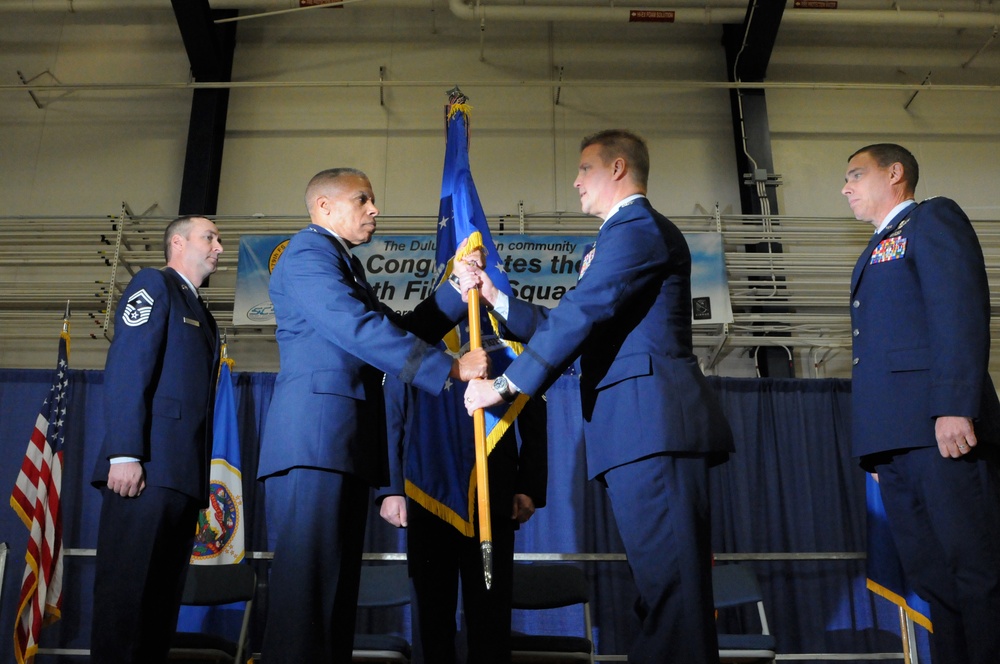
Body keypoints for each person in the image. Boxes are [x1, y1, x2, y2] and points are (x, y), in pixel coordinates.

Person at [463, 129, 734, 663]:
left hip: (655, 428)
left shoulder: (635, 228)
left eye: (584, 169)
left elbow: (581, 315)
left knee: (673, 591)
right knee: (660, 588)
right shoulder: (613, 239)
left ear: (616, 169)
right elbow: (569, 320)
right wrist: (496, 297)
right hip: (632, 431)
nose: (575, 180)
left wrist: (505, 385)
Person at [257, 167, 490, 663]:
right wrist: (450, 366)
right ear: (324, 206)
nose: (374, 209)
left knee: (334, 598)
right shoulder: (307, 254)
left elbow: (398, 327)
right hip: (313, 445)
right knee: (307, 599)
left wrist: (455, 286)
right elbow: (357, 329)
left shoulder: (342, 264)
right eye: (362, 199)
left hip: (338, 446)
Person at [842, 143, 1000, 663]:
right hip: (897, 441)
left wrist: (955, 404)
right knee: (933, 578)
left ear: (895, 173)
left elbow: (959, 310)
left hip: (942, 428)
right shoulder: (876, 245)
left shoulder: (932, 219)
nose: (846, 188)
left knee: (975, 569)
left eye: (855, 175)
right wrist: (877, 449)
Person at [90, 215, 223, 663]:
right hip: (144, 469)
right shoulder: (153, 284)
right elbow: (129, 367)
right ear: (178, 243)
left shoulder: (200, 309)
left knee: (157, 610)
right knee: (126, 605)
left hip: (180, 478)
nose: (219, 247)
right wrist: (125, 452)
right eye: (211, 237)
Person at [379, 368, 547, 664]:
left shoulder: (498, 330)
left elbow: (530, 396)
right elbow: (392, 409)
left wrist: (529, 485)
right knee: (431, 619)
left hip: (492, 490)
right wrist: (390, 488)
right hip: (426, 487)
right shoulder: (421, 330)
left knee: (490, 621)